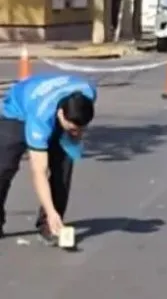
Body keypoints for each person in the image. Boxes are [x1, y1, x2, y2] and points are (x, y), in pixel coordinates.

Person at [0, 74, 95, 244]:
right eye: (73, 130)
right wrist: (51, 210)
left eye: (82, 129)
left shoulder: (88, 92)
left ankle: (51, 224)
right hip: (17, 112)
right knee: (4, 167)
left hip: (48, 104)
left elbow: (76, 123)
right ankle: (51, 215)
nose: (78, 134)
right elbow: (39, 171)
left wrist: (73, 134)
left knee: (64, 166)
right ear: (60, 114)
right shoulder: (40, 118)